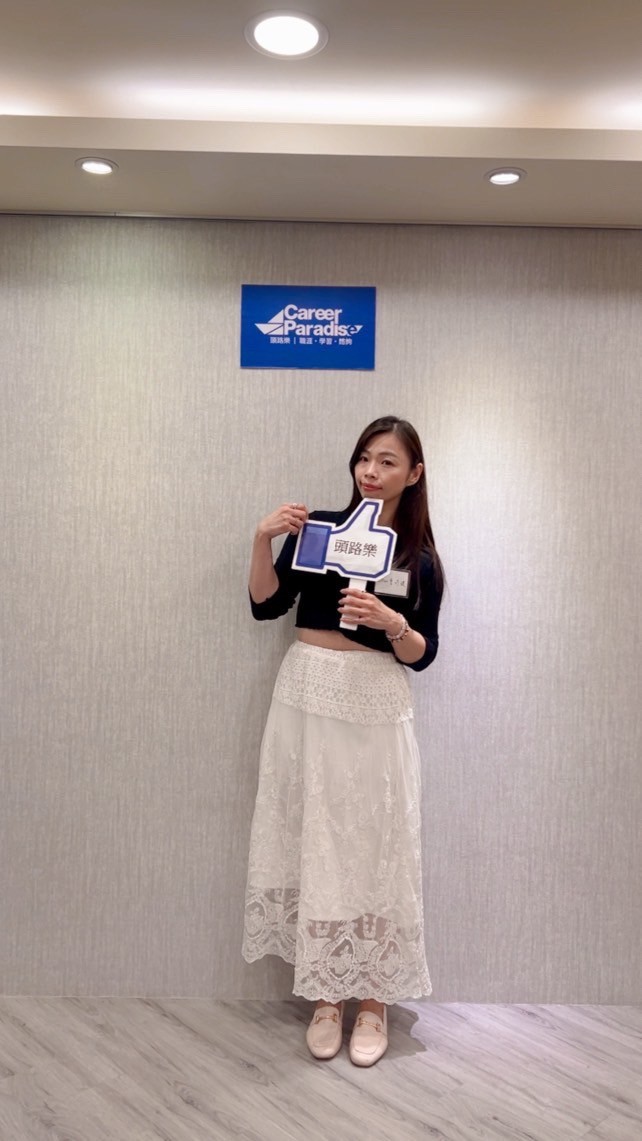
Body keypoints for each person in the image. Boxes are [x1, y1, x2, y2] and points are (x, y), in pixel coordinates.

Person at [242, 415, 445, 1066]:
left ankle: (374, 999)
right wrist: (262, 539)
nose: (371, 471)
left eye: (387, 461)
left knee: (377, 840)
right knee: (316, 835)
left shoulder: (418, 558)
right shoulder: (323, 531)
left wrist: (391, 622)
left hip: (374, 700)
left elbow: (423, 653)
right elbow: (268, 604)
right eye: (364, 458)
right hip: (306, 693)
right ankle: (327, 995)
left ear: (414, 473)